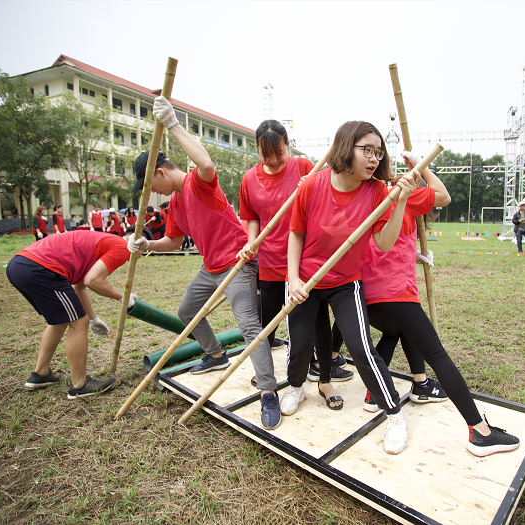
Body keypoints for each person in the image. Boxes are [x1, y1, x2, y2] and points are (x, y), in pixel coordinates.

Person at [339, 150, 521, 457]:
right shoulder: (401, 197)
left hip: (368, 299)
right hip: (398, 295)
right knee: (437, 354)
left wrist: (414, 255)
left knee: (394, 333)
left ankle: (375, 394)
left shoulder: (363, 198)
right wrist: (421, 166)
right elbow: (444, 196)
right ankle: (480, 431)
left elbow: (383, 244)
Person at [126, 96, 282, 431]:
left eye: (149, 184)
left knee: (249, 328)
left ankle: (268, 391)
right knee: (187, 311)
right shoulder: (175, 204)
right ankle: (214, 354)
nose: (150, 192)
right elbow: (172, 240)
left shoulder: (198, 183)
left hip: (238, 265)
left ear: (160, 172)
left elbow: (207, 164)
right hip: (209, 268)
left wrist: (173, 124)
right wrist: (145, 244)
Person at [282, 120, 418, 455]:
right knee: (299, 346)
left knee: (361, 349)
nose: (374, 158)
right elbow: (295, 233)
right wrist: (293, 279)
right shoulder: (312, 186)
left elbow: (385, 244)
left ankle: (394, 415)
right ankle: (297, 387)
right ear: (347, 148)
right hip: (308, 281)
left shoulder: (376, 192)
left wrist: (400, 201)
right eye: (366, 150)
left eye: (378, 152)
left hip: (346, 284)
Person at [237, 120, 349, 384]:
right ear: (258, 150)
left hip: (302, 263)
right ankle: (265, 370)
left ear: (288, 145)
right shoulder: (249, 179)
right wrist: (251, 242)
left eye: (280, 152)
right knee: (269, 322)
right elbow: (251, 216)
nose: (275, 160)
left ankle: (314, 366)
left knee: (308, 319)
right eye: (267, 154)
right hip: (269, 260)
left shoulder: (304, 167)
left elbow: (330, 192)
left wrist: (313, 184)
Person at [5, 227, 138, 399]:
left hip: (20, 265)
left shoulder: (101, 242)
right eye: (144, 250)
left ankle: (40, 374)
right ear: (137, 244)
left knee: (60, 320)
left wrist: (93, 319)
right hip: (40, 269)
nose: (139, 257)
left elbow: (79, 287)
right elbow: (93, 281)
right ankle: (80, 385)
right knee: (78, 323)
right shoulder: (121, 247)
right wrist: (122, 298)